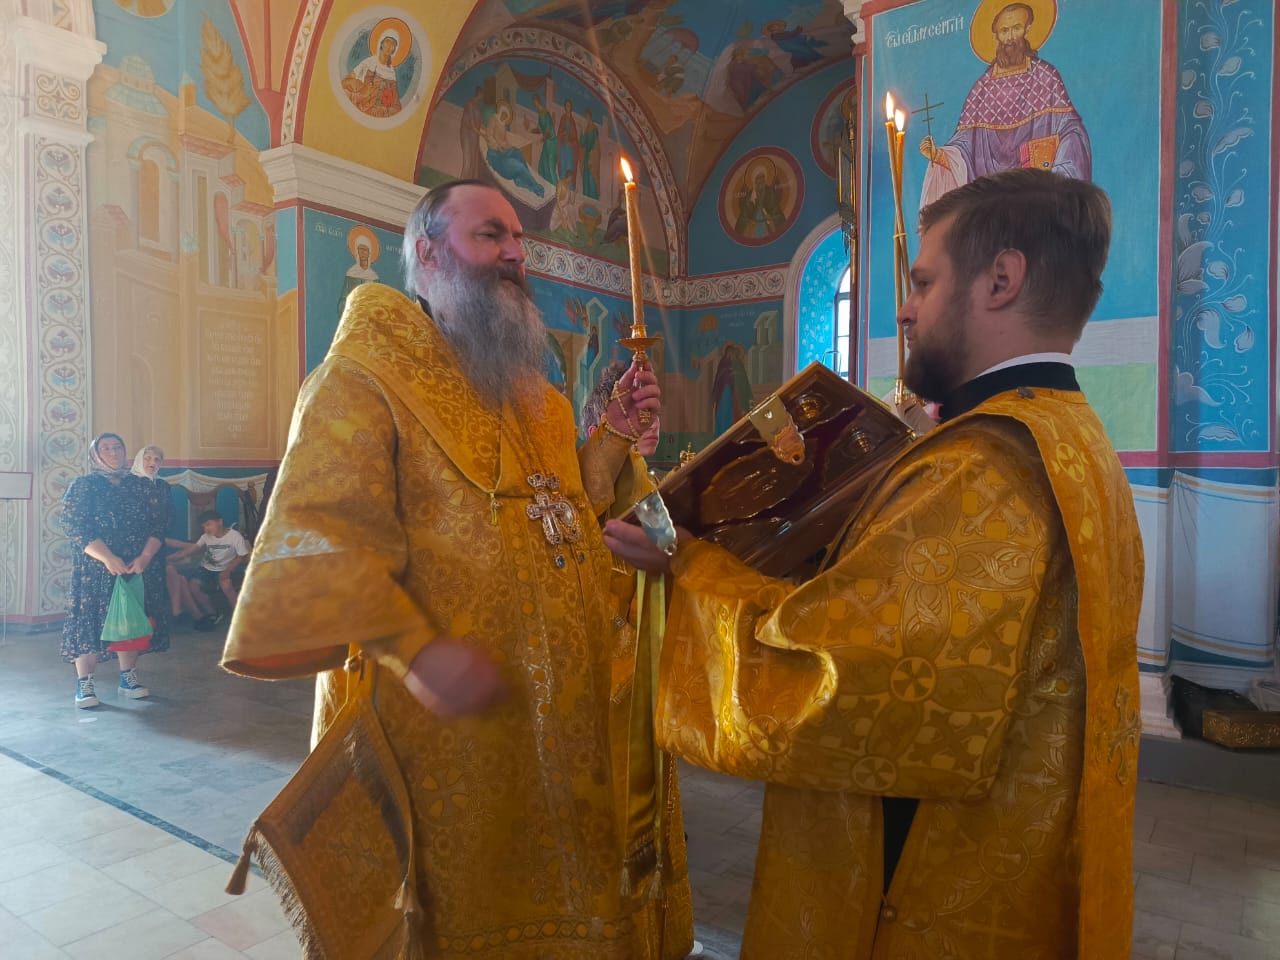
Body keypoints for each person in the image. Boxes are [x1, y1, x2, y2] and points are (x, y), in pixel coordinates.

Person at [604, 169, 1144, 958]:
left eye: (923, 282)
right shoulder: (1074, 441)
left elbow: (829, 681)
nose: (905, 308)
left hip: (927, 888)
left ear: (1001, 280)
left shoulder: (980, 471)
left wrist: (685, 565)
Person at [222, 179, 694, 958]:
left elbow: (562, 511)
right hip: (439, 724)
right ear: (429, 253)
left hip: (559, 715)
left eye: (519, 239)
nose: (514, 254)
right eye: (490, 235)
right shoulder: (360, 381)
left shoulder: (538, 399)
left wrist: (611, 436)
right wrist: (416, 652)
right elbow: (321, 536)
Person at [919, 2, 1091, 208]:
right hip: (992, 207)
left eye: (1016, 28)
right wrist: (939, 155)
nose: (1010, 37)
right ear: (995, 36)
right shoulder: (982, 89)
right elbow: (964, 146)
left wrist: (1057, 176)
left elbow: (1071, 131)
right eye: (1004, 30)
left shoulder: (1046, 78)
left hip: (1037, 199)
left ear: (1027, 29)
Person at [61, 433, 170, 706]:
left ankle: (127, 677)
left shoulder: (141, 486)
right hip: (96, 569)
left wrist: (145, 557)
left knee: (131, 621)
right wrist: (108, 558)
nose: (113, 452)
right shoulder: (84, 486)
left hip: (136, 566)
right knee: (90, 623)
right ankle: (85, 683)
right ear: (96, 455)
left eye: (118, 447)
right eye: (106, 448)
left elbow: (159, 524)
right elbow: (75, 526)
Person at [168, 510, 249, 630]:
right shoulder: (205, 537)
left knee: (227, 586)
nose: (206, 529)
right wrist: (172, 558)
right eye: (204, 526)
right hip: (206, 568)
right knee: (193, 586)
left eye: (208, 524)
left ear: (220, 522)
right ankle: (212, 613)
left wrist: (228, 570)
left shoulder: (235, 536)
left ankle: (239, 617)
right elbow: (192, 549)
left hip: (225, 568)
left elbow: (241, 555)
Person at [341, 30, 402, 118]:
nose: (389, 46)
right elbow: (346, 82)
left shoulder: (391, 73)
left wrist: (384, 109)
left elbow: (395, 104)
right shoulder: (369, 63)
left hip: (378, 114)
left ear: (394, 49)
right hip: (361, 106)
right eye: (387, 41)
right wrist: (362, 90)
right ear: (382, 43)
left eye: (393, 44)